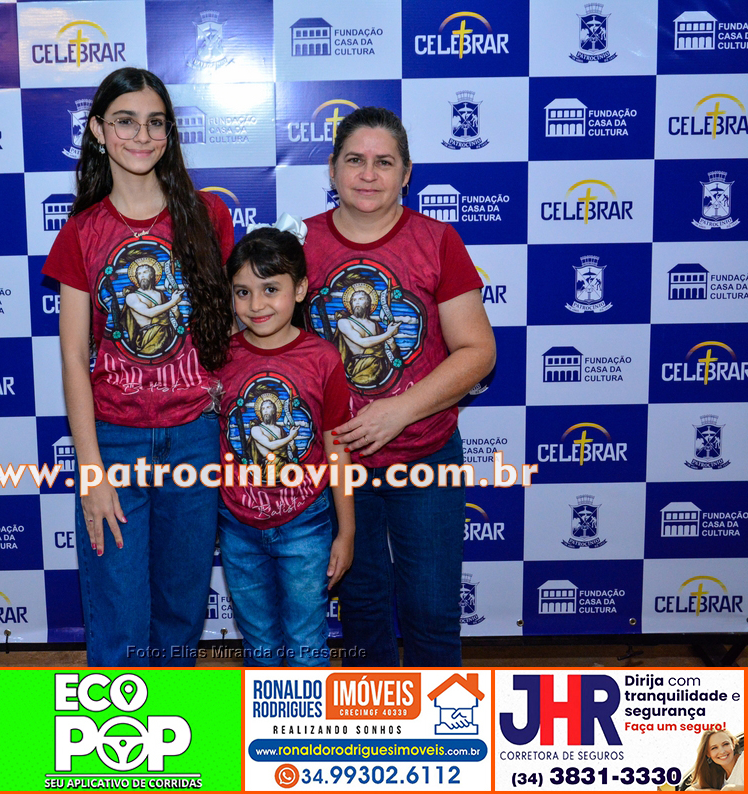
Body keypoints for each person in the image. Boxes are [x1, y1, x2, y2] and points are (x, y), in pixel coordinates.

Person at [42, 67, 234, 666]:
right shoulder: (82, 232)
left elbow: (232, 326)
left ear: (169, 132)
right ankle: (118, 728)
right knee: (119, 614)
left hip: (195, 437)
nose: (142, 136)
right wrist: (91, 471)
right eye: (125, 122)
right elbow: (73, 357)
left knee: (180, 610)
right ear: (98, 130)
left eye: (155, 122)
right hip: (116, 442)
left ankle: (170, 721)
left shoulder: (208, 215)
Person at [303, 106, 496, 667]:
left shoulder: (437, 241)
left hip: (425, 455)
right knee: (361, 612)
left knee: (432, 613)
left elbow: (479, 352)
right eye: (355, 160)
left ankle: (441, 721)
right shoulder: (298, 242)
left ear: (406, 173)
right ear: (332, 169)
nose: (368, 174)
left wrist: (398, 411)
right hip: (338, 462)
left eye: (384, 162)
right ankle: (376, 720)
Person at [216, 227, 355, 666]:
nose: (256, 305)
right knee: (259, 643)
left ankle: (306, 714)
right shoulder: (220, 357)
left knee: (306, 640)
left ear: (300, 289)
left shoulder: (323, 358)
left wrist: (347, 530)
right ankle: (266, 712)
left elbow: (337, 445)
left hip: (306, 524)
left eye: (270, 289)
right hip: (238, 526)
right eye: (243, 292)